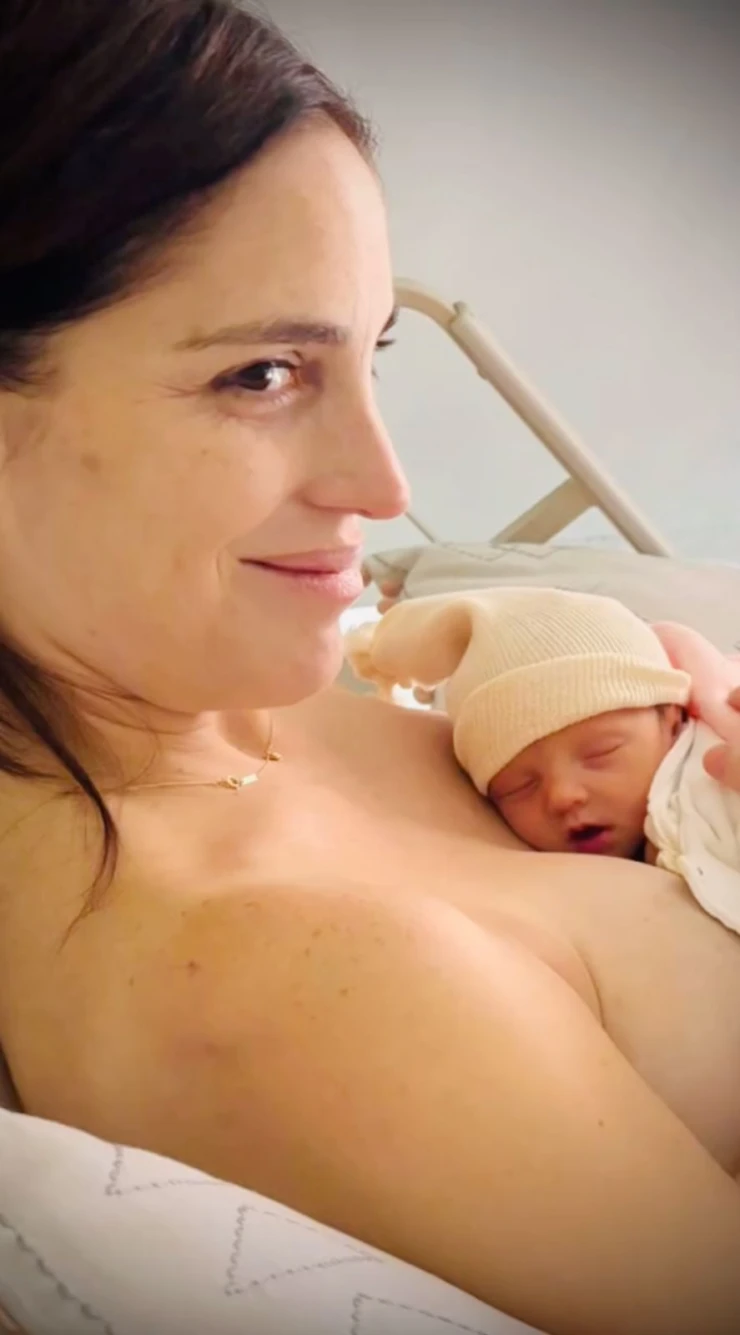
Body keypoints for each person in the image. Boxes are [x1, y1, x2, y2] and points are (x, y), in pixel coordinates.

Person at [0, 4, 740, 1334]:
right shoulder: (282, 982)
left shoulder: (238, 698)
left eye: (369, 354)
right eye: (261, 373)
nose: (385, 484)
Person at [348, 586, 740, 937]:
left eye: (601, 753)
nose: (562, 796)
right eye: (519, 787)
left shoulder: (712, 774)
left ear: (672, 720)